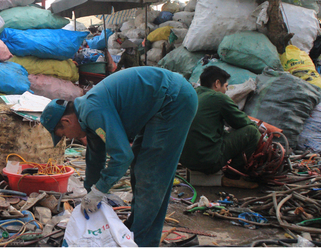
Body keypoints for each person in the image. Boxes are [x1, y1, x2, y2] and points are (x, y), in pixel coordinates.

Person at [40, 66, 198, 247]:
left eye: (64, 135)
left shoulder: (91, 110)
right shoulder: (87, 119)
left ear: (66, 121)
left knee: (151, 175)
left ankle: (144, 241)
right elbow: (94, 159)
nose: (69, 138)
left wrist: (100, 190)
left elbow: (122, 156)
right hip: (158, 106)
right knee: (140, 169)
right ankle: (135, 228)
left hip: (174, 100)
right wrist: (90, 193)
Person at [179, 66, 261, 188]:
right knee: (252, 132)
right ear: (217, 83)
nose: (225, 91)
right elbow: (242, 123)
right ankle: (232, 177)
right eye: (225, 87)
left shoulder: (192, 94)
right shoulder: (218, 98)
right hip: (207, 161)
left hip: (185, 160)